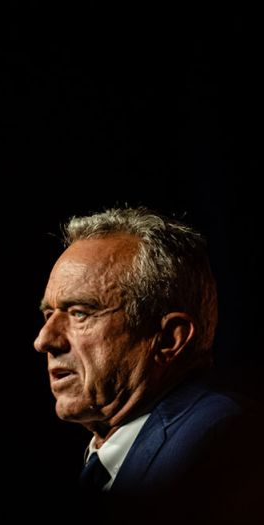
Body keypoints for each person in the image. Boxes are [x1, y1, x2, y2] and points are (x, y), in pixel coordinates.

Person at [32, 206, 244, 497]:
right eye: (48, 315)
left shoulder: (217, 442)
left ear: (169, 339)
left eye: (80, 313)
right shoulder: (106, 458)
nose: (44, 340)